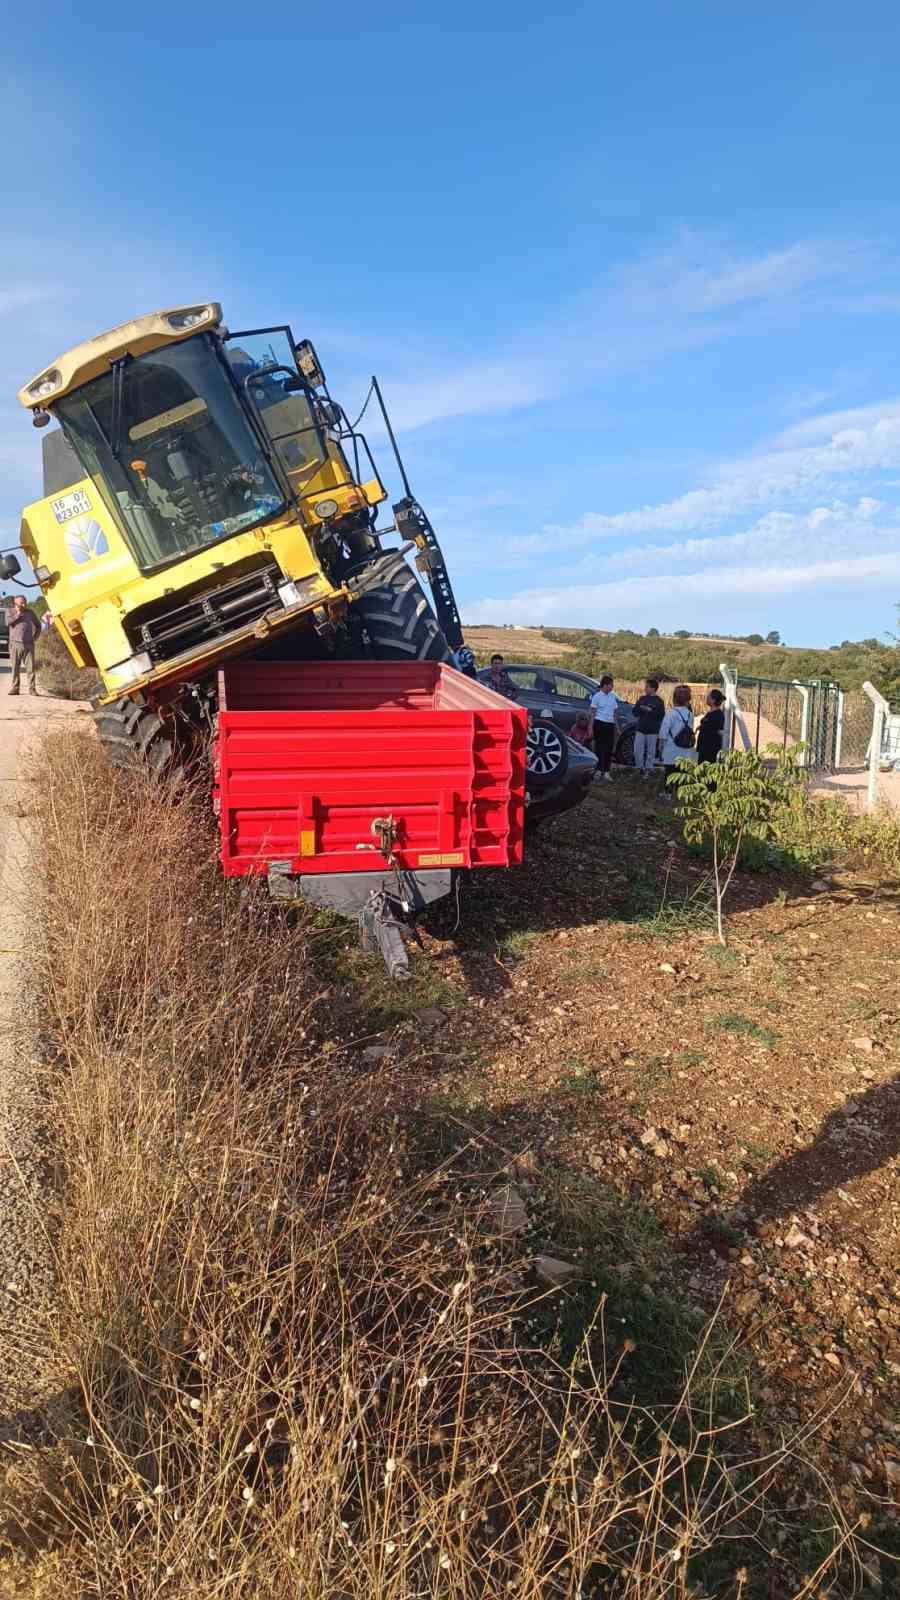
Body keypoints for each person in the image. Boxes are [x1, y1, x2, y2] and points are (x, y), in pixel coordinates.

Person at [658, 684, 696, 793]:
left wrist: (660, 749)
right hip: (685, 750)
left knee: (669, 773)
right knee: (682, 774)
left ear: (674, 698)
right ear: (688, 699)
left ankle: (668, 793)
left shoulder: (670, 714)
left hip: (671, 750)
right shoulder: (690, 714)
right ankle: (680, 794)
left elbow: (663, 734)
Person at [6, 595, 40, 696]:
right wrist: (18, 614)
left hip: (29, 644)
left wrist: (35, 637)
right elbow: (8, 623)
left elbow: (38, 625)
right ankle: (15, 688)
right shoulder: (10, 611)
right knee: (15, 668)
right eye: (22, 603)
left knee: (30, 668)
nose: (24, 605)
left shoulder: (30, 612)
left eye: (25, 602)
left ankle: (32, 689)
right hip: (15, 644)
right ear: (16, 603)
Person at [632, 676, 665, 779]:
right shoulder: (642, 698)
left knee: (651, 752)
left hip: (652, 730)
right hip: (640, 729)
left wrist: (651, 711)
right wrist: (641, 709)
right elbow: (634, 712)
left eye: (647, 687)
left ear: (653, 688)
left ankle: (649, 769)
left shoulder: (659, 701)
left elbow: (661, 716)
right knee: (637, 750)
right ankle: (639, 768)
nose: (645, 689)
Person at [588, 673, 618, 781]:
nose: (612, 687)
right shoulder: (597, 697)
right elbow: (592, 713)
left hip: (610, 724)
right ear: (605, 685)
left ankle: (606, 771)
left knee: (609, 748)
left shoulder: (613, 696)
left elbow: (614, 713)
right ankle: (599, 770)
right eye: (611, 685)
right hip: (599, 723)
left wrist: (617, 726)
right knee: (599, 748)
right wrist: (590, 728)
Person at [697, 689, 726, 764]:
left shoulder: (718, 715)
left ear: (713, 700)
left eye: (708, 697)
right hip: (704, 747)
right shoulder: (711, 713)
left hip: (710, 749)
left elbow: (715, 730)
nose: (706, 698)